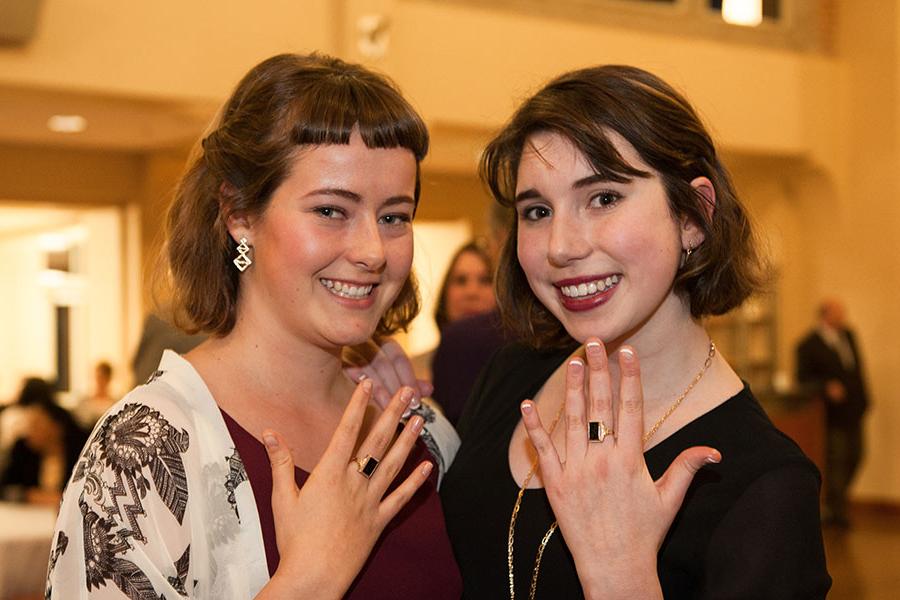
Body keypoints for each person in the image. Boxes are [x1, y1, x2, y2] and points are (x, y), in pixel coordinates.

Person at [46, 53, 461, 599]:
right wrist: (307, 581)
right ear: (240, 214)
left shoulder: (419, 427)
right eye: (332, 210)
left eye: (394, 216)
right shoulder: (145, 452)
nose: (372, 251)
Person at [437, 65, 831, 597]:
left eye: (603, 198)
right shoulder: (513, 373)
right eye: (536, 210)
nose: (560, 246)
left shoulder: (761, 483)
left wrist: (622, 575)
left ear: (692, 215)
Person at [796, 298, 869, 528]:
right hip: (830, 415)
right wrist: (826, 387)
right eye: (838, 313)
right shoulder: (807, 345)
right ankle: (838, 512)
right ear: (825, 315)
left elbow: (857, 370)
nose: (842, 317)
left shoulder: (848, 335)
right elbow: (803, 380)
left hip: (854, 410)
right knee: (836, 460)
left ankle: (835, 502)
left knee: (857, 455)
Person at [411, 241, 497, 382]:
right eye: (461, 281)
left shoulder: (518, 366)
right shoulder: (413, 372)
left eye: (485, 280)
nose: (472, 292)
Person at [0, 378, 88, 506]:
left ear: (56, 427)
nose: (29, 431)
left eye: (36, 425)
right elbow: (7, 488)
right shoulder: (22, 449)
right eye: (29, 425)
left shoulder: (80, 452)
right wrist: (33, 496)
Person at [73, 360, 118, 429]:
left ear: (108, 379)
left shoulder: (115, 404)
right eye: (98, 377)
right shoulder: (84, 403)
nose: (100, 382)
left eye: (103, 378)